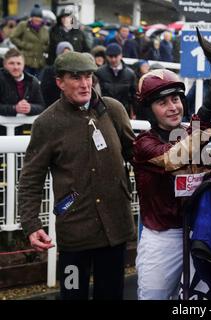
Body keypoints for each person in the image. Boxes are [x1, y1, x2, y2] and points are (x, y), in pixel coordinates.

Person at [18, 51, 136, 300]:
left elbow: (137, 156)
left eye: (89, 76)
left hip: (114, 228)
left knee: (111, 295)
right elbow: (31, 178)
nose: (85, 84)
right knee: (72, 295)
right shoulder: (47, 123)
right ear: (60, 82)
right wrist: (31, 224)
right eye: (76, 77)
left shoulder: (113, 110)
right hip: (75, 233)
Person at [132, 69, 211, 300]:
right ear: (149, 110)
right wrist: (205, 112)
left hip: (201, 233)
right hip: (162, 240)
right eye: (162, 102)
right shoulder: (143, 144)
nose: (172, 107)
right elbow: (173, 157)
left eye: (176, 99)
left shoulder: (194, 134)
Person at [0, 48, 45, 135]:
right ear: (5, 65)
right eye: (11, 63)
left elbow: (41, 106)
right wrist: (14, 108)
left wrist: (30, 108)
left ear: (24, 65)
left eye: (18, 63)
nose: (16, 67)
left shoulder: (32, 81)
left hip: (22, 130)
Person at [95, 43, 137, 117]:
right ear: (107, 56)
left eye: (115, 56)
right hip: (105, 111)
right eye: (111, 56)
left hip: (124, 111)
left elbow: (134, 96)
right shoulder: (100, 72)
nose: (113, 59)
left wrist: (135, 113)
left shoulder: (130, 74)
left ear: (121, 56)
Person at [10, 4, 49, 78]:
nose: (37, 20)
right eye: (35, 18)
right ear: (31, 18)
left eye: (39, 18)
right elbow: (13, 37)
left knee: (37, 84)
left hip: (40, 62)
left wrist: (44, 48)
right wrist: (24, 45)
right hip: (26, 61)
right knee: (26, 83)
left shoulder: (45, 29)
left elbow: (47, 43)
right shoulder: (23, 25)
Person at [40, 41, 74, 107]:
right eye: (63, 54)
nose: (66, 57)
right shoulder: (49, 71)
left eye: (69, 54)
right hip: (52, 106)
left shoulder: (75, 71)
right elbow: (44, 91)